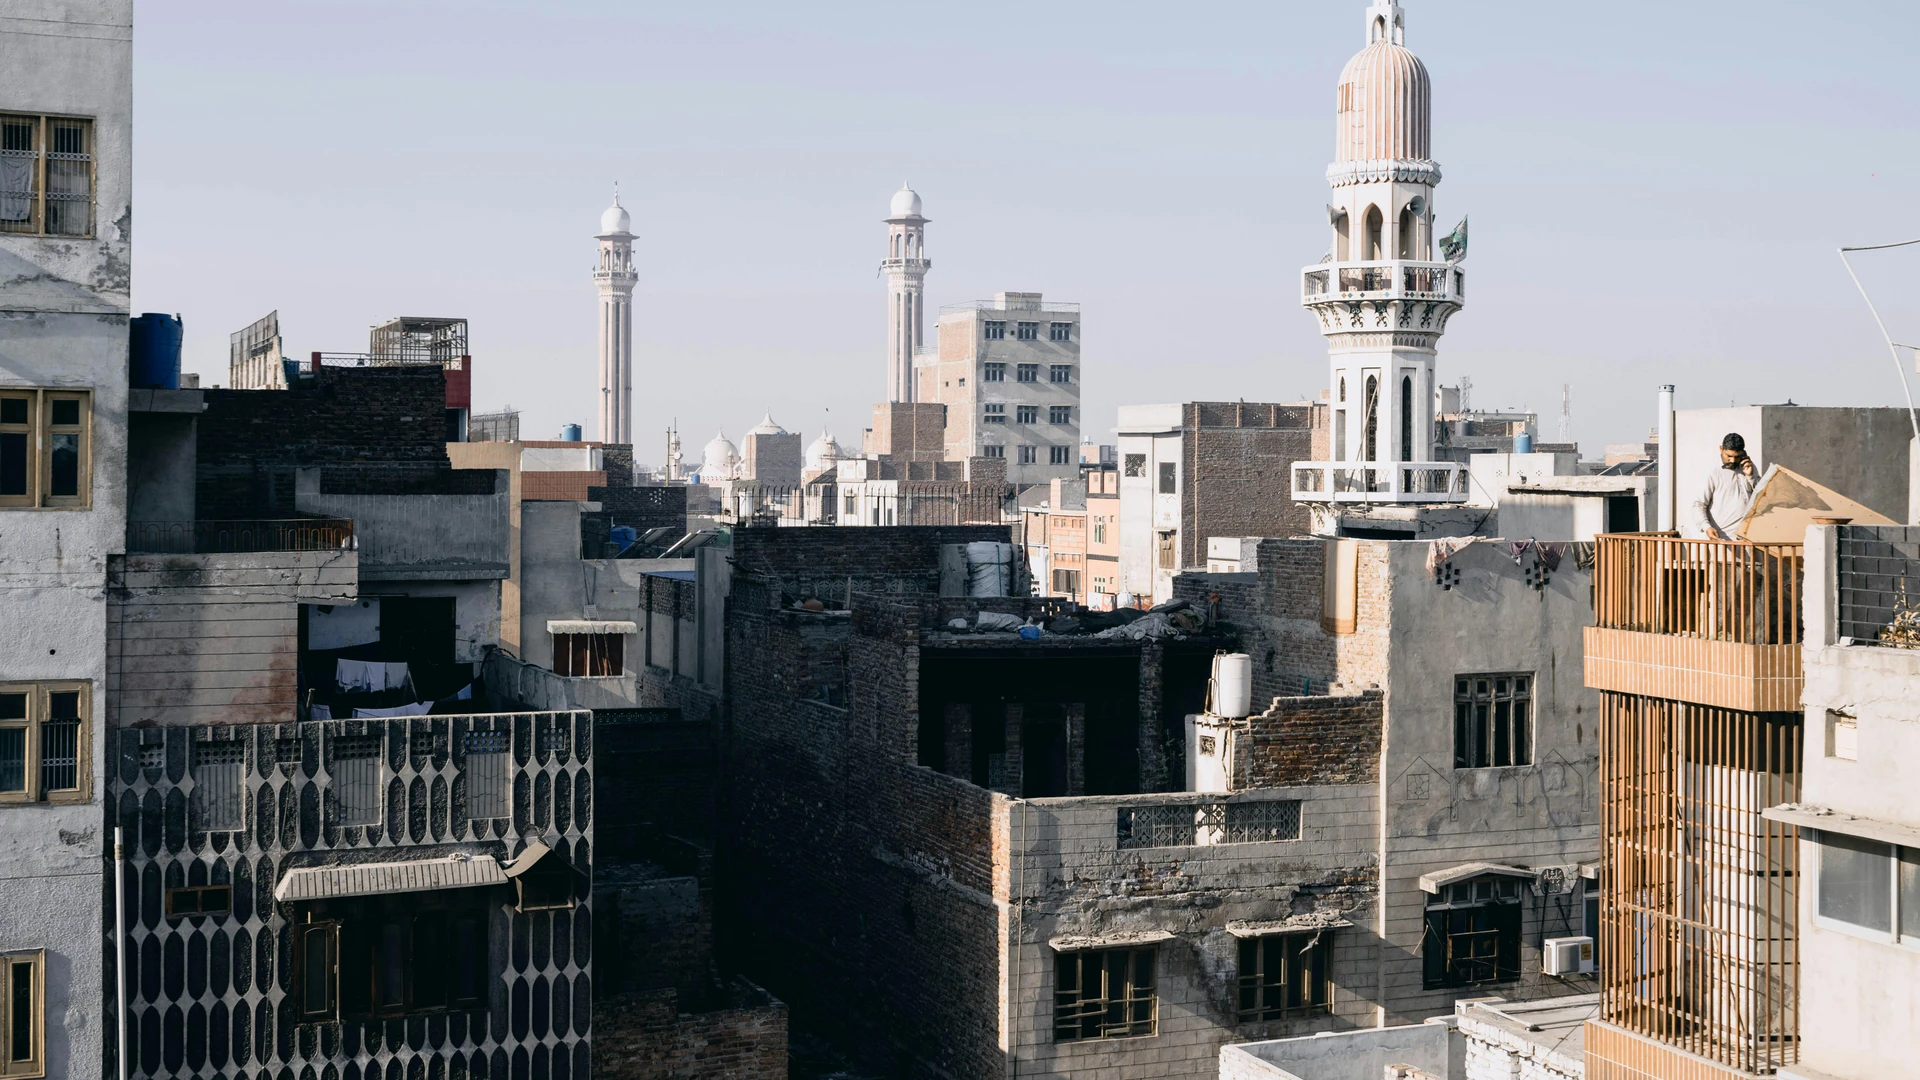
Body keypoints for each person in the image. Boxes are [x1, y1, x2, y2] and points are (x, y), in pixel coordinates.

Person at [1692, 432, 1759, 540]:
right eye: (1729, 456)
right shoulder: (1713, 473)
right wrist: (1707, 527)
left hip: (1749, 538)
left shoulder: (1748, 466)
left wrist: (1750, 477)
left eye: (1737, 457)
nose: (1732, 460)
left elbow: (1762, 497)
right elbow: (1698, 505)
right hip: (1723, 540)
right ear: (1721, 449)